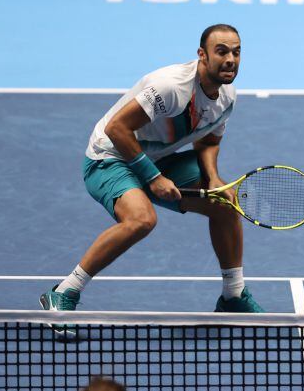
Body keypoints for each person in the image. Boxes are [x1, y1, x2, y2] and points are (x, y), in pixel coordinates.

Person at [41, 24, 262, 337]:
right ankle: (63, 292)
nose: (230, 59)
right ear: (202, 55)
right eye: (221, 51)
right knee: (142, 219)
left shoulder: (226, 96)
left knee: (224, 203)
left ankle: (233, 295)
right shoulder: (170, 88)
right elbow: (116, 128)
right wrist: (153, 177)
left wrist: (212, 179)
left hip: (157, 158)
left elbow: (208, 141)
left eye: (236, 52)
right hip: (109, 157)